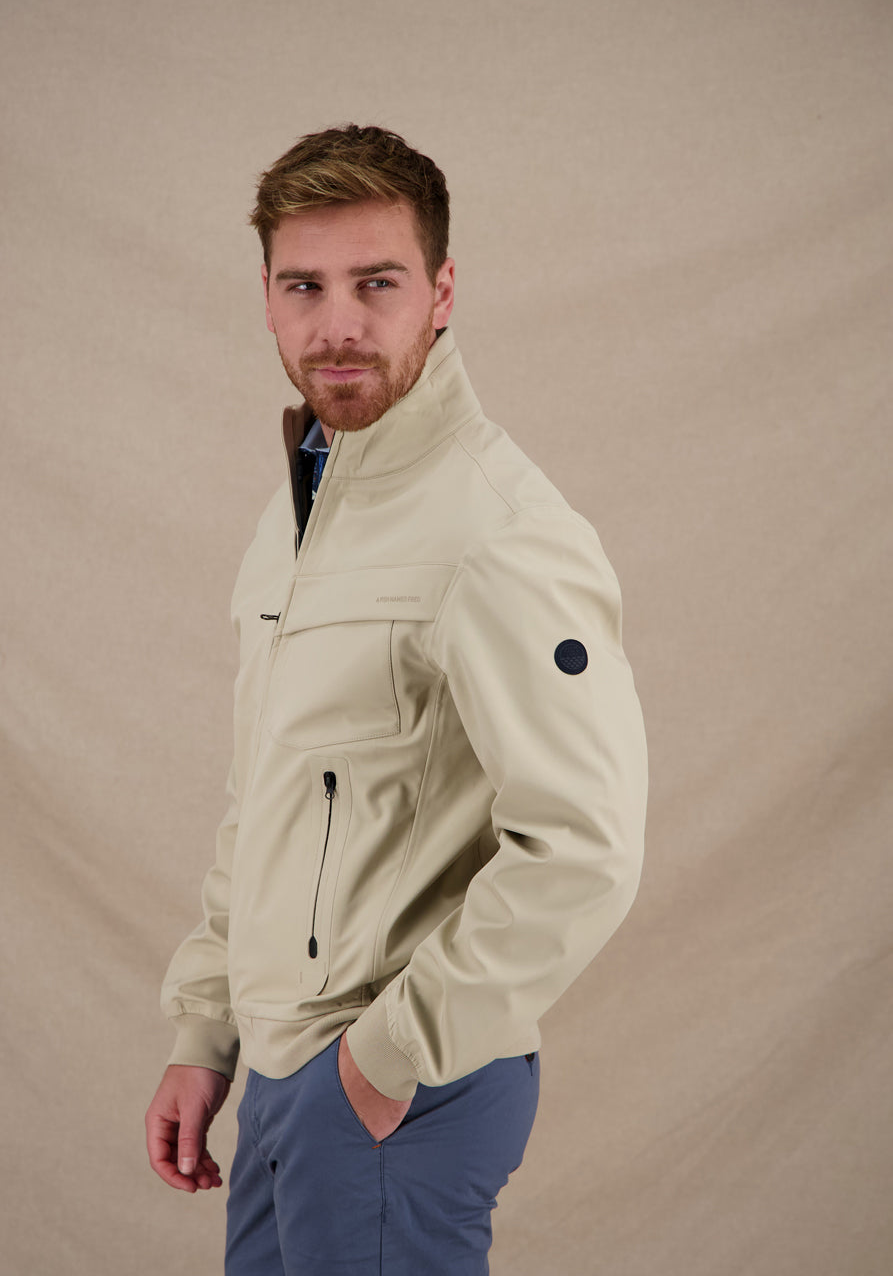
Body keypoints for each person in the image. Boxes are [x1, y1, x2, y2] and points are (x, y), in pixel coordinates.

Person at [145, 123, 647, 1275]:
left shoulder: (498, 529)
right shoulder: (303, 509)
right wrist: (206, 1031)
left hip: (391, 1088)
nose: (338, 324)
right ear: (267, 299)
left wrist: (385, 1059)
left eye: (377, 283)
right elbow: (269, 797)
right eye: (304, 286)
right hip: (284, 1074)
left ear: (442, 291)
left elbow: (586, 844)